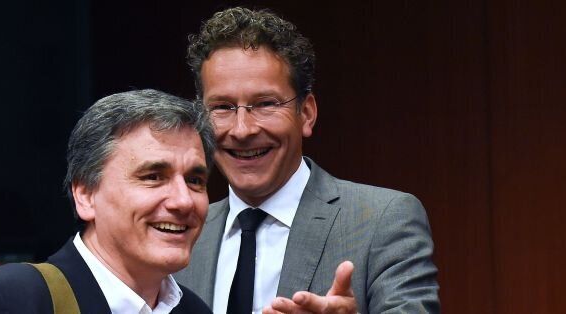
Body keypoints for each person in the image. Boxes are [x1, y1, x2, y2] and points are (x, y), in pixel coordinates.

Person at [174, 7, 440, 314]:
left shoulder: (384, 220)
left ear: (307, 114)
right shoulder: (185, 230)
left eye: (265, 104)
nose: (242, 130)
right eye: (222, 107)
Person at [0, 89, 215, 313]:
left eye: (195, 180)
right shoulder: (10, 300)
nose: (183, 201)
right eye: (153, 177)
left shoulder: (195, 309)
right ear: (85, 195)